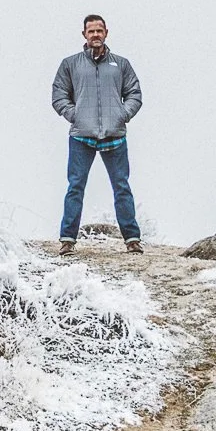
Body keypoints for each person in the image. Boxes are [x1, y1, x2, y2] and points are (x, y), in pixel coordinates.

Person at [52, 14, 142, 255]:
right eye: (91, 31)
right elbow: (58, 95)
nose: (95, 35)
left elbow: (134, 93)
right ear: (84, 35)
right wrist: (75, 115)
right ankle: (67, 240)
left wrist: (123, 114)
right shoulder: (70, 64)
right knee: (76, 187)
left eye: (99, 31)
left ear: (106, 33)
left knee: (121, 187)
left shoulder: (121, 64)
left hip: (115, 136)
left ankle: (132, 239)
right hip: (82, 136)